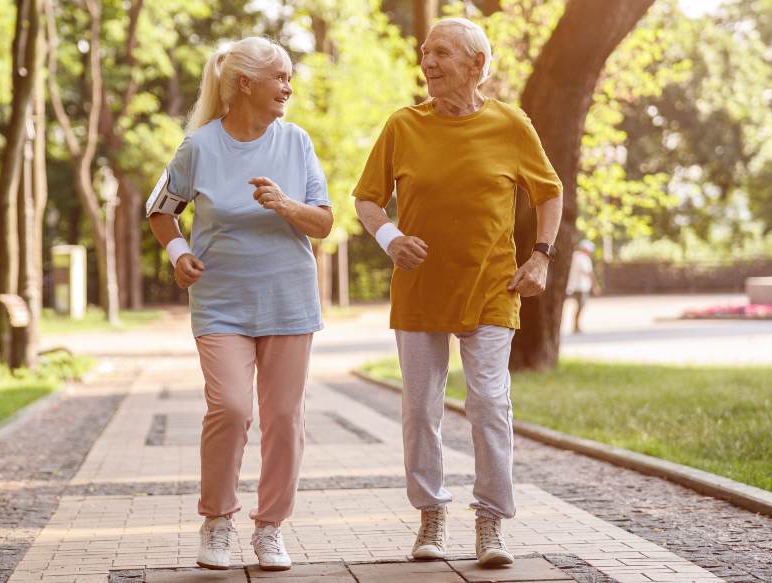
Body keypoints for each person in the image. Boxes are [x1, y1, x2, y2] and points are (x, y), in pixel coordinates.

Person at [352, 18, 563, 567]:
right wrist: (391, 237)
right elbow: (367, 200)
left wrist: (540, 255)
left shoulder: (511, 125)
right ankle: (431, 513)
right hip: (419, 288)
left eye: (441, 52)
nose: (429, 61)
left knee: (489, 402)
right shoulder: (403, 125)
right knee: (420, 409)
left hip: (492, 285)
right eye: (426, 52)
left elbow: (550, 192)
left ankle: (491, 520)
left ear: (476, 64)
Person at [145, 36, 333, 572]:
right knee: (230, 408)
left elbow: (324, 222)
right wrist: (178, 252)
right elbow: (162, 212)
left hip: (289, 299)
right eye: (280, 77)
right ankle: (217, 521)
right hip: (221, 301)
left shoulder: (296, 142)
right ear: (245, 83)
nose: (288, 87)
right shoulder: (199, 147)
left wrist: (286, 204)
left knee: (283, 417)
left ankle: (270, 528)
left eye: (289, 77)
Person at [567, 239, 599, 334]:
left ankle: (576, 325)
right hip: (581, 286)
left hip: (574, 286)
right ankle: (576, 326)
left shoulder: (574, 256)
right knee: (581, 306)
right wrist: (595, 286)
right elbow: (589, 273)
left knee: (579, 306)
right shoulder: (584, 258)